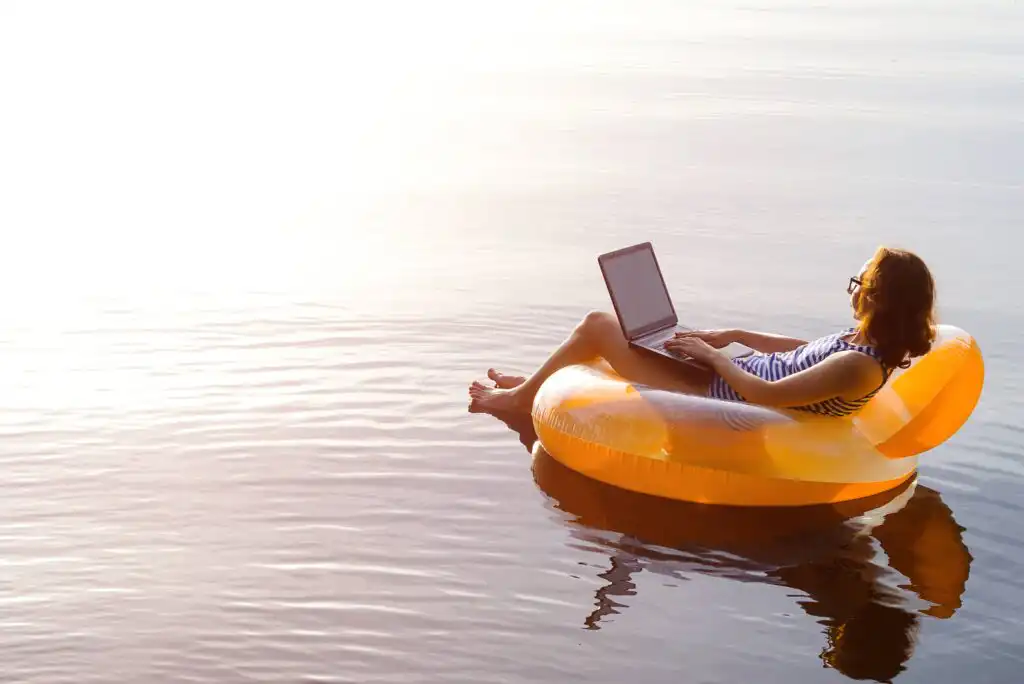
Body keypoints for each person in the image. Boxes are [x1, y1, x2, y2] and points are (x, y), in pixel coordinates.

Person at [469, 246, 936, 417]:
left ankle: (519, 399)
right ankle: (533, 383)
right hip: (726, 372)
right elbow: (803, 352)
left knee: (598, 325)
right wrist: (733, 334)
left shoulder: (860, 367)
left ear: (876, 298)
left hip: (716, 392)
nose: (851, 291)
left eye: (858, 284)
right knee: (636, 334)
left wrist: (714, 359)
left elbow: (768, 398)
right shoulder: (863, 346)